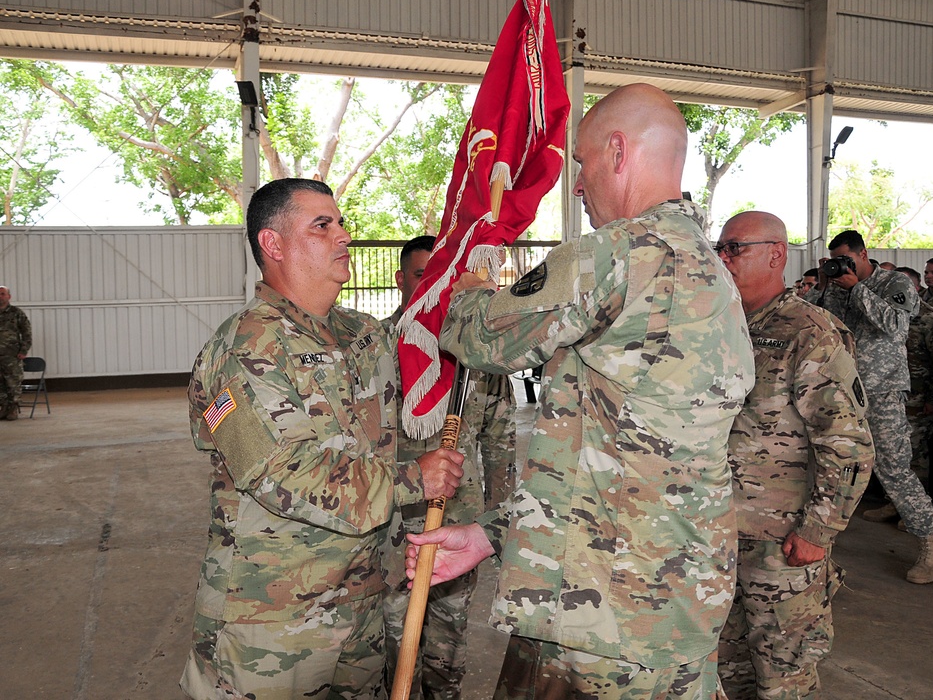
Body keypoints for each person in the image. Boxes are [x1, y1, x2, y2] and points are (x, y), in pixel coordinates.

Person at [406, 83, 755, 697]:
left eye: (583, 163)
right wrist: (491, 534)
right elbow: (619, 465)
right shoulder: (708, 267)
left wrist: (469, 272)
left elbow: (476, 333)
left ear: (618, 152)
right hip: (667, 604)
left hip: (604, 620)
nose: (577, 184)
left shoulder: (622, 254)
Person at [181, 178, 465, 700]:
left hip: (362, 602)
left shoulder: (364, 335)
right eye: (323, 225)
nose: (344, 236)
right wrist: (411, 480)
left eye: (340, 222)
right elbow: (278, 472)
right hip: (273, 620)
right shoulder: (244, 349)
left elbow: (415, 384)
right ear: (273, 244)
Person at [714, 211, 874, 699]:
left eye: (734, 248)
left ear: (776, 254)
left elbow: (847, 445)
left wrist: (817, 530)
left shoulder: (811, 332)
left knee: (784, 675)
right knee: (725, 668)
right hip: (717, 533)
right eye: (719, 248)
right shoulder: (720, 327)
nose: (723, 258)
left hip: (781, 544)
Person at [382, 235, 517, 699]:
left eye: (446, 280)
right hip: (392, 527)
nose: (436, 289)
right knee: (393, 645)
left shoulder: (475, 357)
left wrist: (499, 522)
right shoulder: (377, 348)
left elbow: (500, 439)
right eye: (425, 276)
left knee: (449, 648)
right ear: (402, 280)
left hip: (459, 520)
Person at [812, 230, 933, 583]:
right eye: (837, 261)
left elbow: (893, 324)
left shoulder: (894, 282)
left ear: (863, 254)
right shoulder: (835, 288)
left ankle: (931, 547)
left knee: (893, 469)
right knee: (828, 464)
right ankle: (817, 545)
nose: (844, 266)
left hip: (883, 392)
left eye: (848, 259)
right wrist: (827, 283)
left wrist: (855, 287)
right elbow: (816, 320)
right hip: (841, 391)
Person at [896, 267, 933, 486]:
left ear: (917, 288)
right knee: (893, 453)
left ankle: (918, 508)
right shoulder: (888, 315)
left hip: (920, 401)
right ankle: (893, 503)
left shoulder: (932, 320)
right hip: (894, 398)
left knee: (916, 454)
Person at [0, 285, 32, 421]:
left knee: (13, 382)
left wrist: (23, 350)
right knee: (0, 384)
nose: (0, 297)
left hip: (12, 355)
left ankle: (13, 409)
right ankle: (3, 408)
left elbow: (26, 333)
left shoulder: (16, 313)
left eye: (2, 294)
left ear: (9, 296)